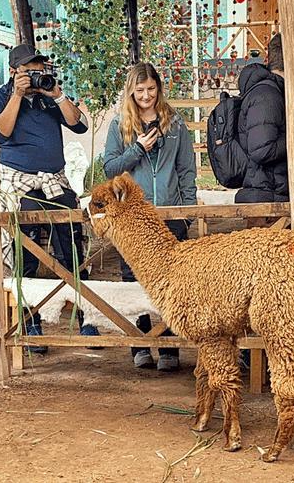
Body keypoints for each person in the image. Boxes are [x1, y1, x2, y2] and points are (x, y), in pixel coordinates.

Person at [0, 44, 96, 354]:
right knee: (26, 248)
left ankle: (85, 317)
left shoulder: (48, 95)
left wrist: (57, 94)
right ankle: (30, 319)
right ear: (13, 71)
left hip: (54, 180)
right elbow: (0, 134)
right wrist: (17, 95)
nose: (36, 75)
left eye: (40, 69)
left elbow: (80, 124)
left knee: (72, 244)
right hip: (19, 181)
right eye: (29, 70)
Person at [103, 63, 196, 372]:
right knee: (133, 279)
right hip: (133, 215)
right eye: (139, 90)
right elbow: (110, 169)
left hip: (170, 211)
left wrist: (188, 212)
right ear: (131, 91)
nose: (146, 95)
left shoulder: (176, 124)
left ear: (159, 89)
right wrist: (138, 150)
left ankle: (170, 345)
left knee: (172, 281)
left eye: (151, 89)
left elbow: (186, 169)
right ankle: (139, 342)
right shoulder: (120, 125)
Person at [235, 34, 287, 225]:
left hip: (275, 193)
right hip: (267, 200)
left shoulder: (277, 91)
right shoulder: (267, 95)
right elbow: (262, 150)